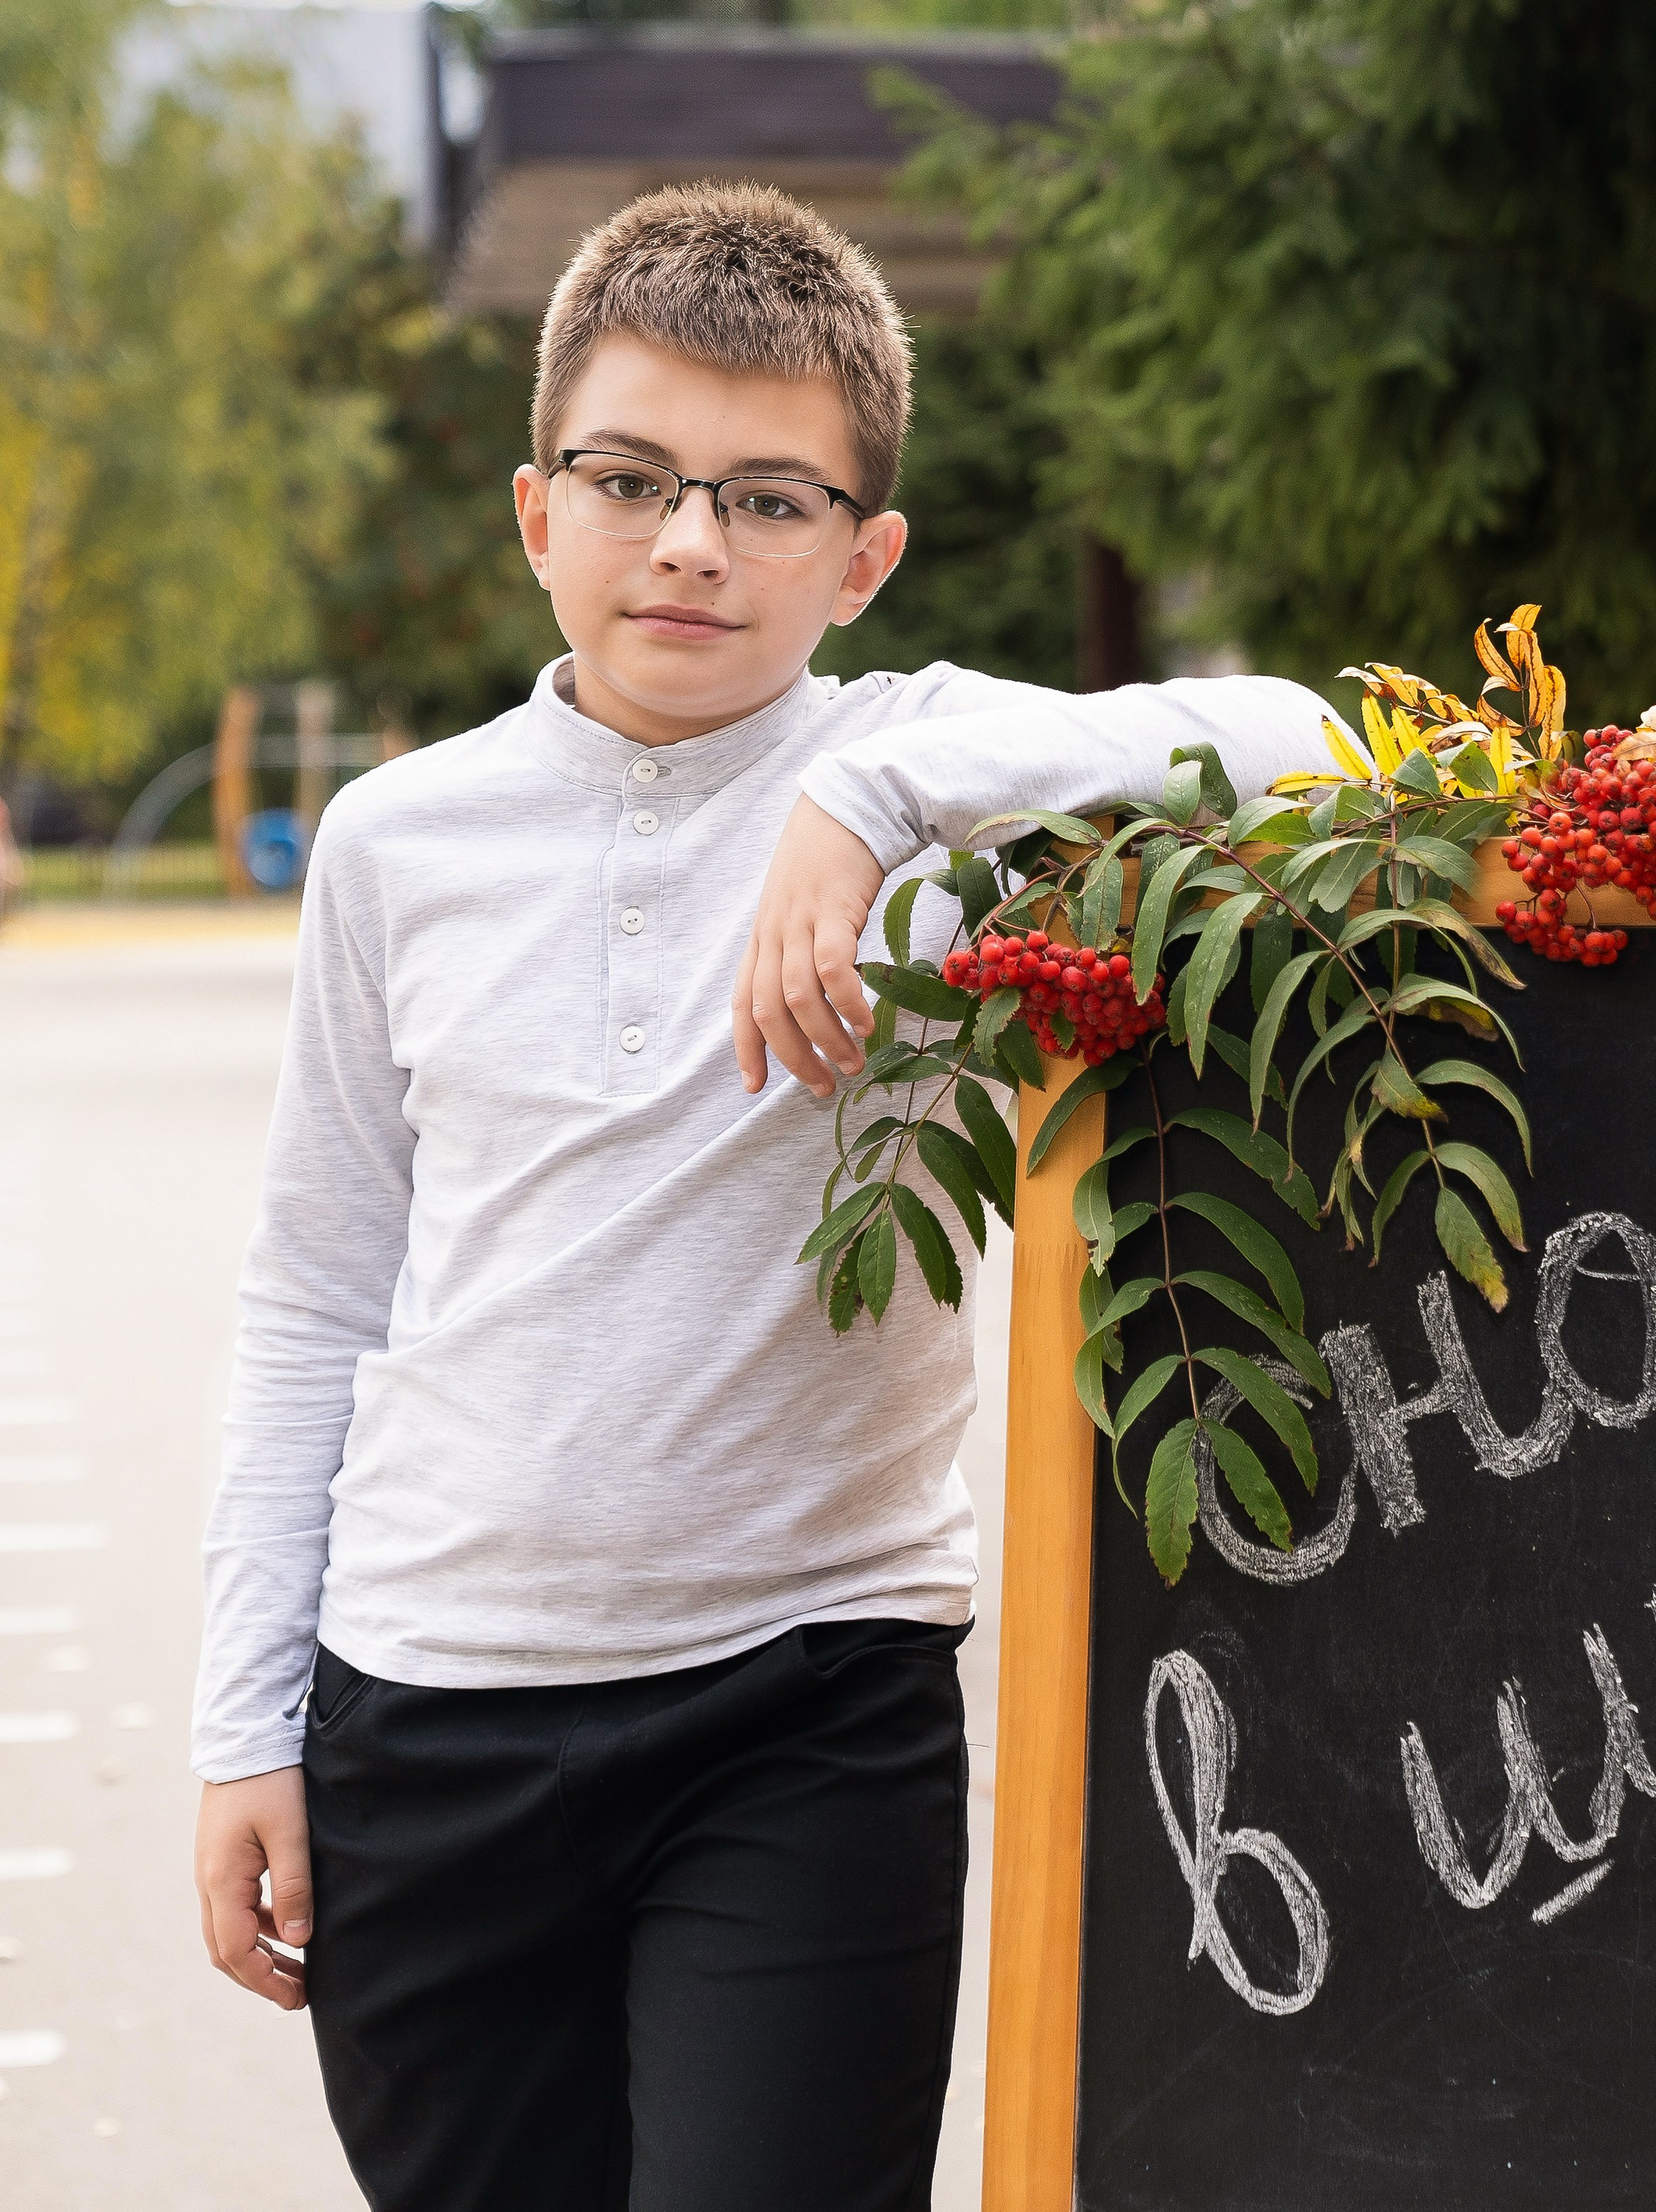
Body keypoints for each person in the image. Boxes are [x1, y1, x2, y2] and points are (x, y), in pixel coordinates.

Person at [192, 183, 1336, 2211]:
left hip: (800, 1713)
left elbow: (1301, 747)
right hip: (423, 1713)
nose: (694, 540)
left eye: (771, 497)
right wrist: (242, 1720)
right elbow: (315, 1297)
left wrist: (869, 796)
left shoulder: (947, 791)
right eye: (630, 477)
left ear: (865, 556)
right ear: (536, 509)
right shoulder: (392, 844)